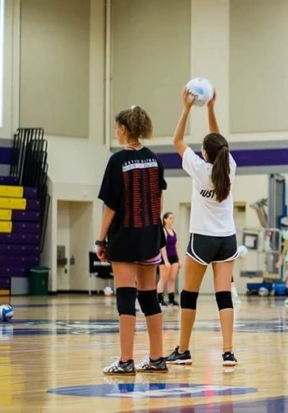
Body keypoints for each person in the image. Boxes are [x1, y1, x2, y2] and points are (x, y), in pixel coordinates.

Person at [166, 87, 239, 367]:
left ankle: (183, 351)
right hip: (227, 240)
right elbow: (222, 144)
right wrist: (210, 108)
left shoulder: (199, 168)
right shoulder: (229, 166)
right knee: (223, 296)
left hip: (202, 240)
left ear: (205, 153)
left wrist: (187, 108)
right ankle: (228, 352)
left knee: (189, 295)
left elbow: (177, 139)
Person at [96, 105, 168, 375]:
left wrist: (100, 241)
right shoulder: (155, 160)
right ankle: (157, 358)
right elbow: (159, 201)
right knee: (150, 296)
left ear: (124, 129)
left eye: (117, 127)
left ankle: (126, 360)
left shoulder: (117, 161)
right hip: (150, 235)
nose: (116, 132)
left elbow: (111, 207)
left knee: (126, 296)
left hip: (125, 236)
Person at [157, 212, 180, 307]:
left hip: (173, 257)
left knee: (172, 279)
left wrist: (179, 260)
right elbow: (162, 247)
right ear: (165, 219)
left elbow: (176, 247)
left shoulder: (174, 231)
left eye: (173, 218)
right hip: (164, 258)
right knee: (163, 278)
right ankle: (160, 299)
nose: (172, 220)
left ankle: (171, 299)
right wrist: (166, 261)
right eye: (170, 218)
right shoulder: (163, 231)